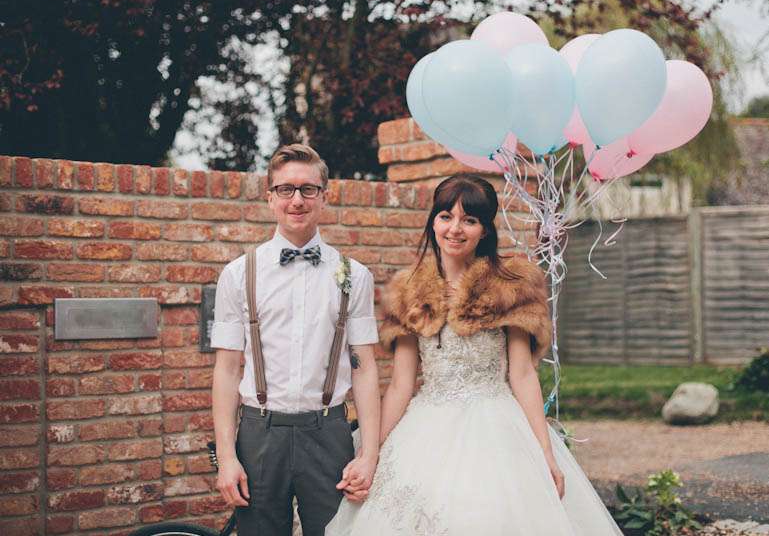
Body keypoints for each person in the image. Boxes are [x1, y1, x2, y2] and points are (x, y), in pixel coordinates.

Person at [326, 174, 622, 535]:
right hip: (426, 425)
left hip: (496, 426)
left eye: (469, 220)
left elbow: (522, 375)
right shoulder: (409, 291)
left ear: (484, 230)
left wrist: (545, 451)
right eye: (446, 217)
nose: (455, 229)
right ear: (433, 222)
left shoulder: (509, 286)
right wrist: (371, 453)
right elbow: (402, 384)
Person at [210, 144, 381, 536]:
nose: (297, 200)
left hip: (329, 433)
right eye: (286, 189)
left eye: (308, 189)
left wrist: (369, 454)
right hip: (259, 434)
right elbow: (227, 371)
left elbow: (365, 369)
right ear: (270, 197)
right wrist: (226, 457)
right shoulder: (238, 274)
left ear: (324, 196)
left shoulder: (355, 275)